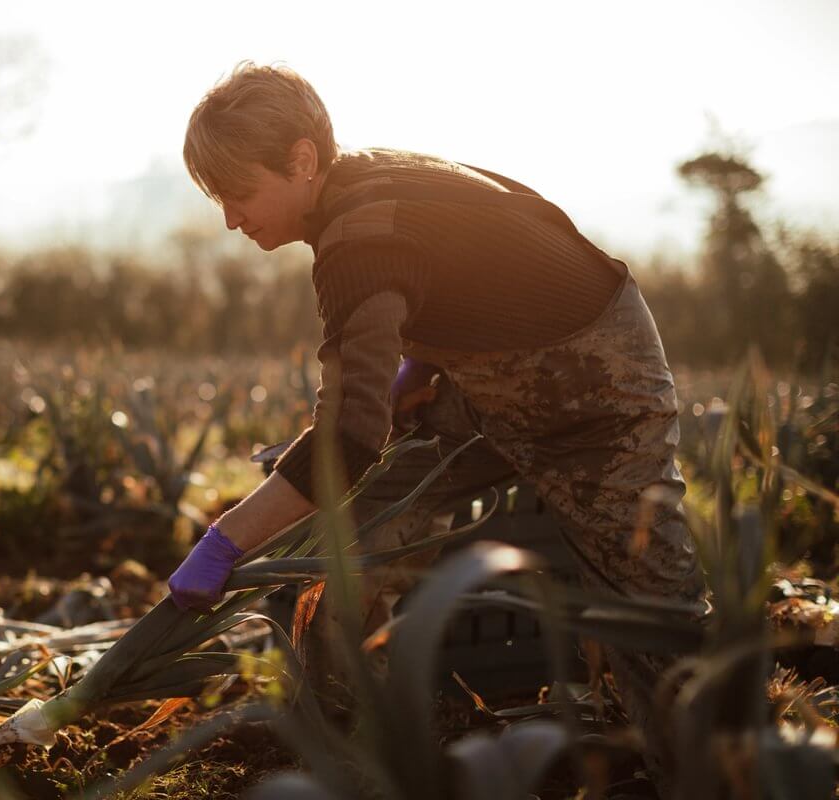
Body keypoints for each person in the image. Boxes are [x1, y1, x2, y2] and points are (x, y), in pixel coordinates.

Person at [167, 61, 706, 794]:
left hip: (598, 395)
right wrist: (421, 365)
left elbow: (349, 437)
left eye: (239, 194)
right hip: (487, 386)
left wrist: (225, 540)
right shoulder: (356, 186)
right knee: (351, 539)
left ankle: (700, 778)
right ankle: (354, 745)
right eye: (219, 200)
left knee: (652, 607)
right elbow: (470, 267)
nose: (231, 219)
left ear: (301, 160)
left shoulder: (359, 236)